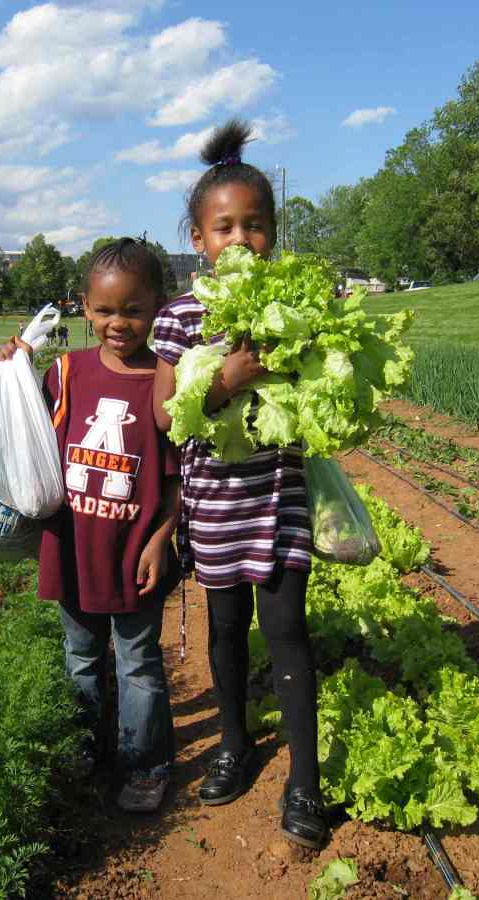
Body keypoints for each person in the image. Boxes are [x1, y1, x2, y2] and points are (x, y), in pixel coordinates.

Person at [151, 119, 328, 849]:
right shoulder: (180, 318)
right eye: (224, 228)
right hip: (215, 508)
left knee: (288, 634)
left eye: (255, 226)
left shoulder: (297, 310)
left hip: (278, 501)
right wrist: (229, 376)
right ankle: (234, 743)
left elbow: (330, 395)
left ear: (274, 234)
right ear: (198, 239)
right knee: (226, 635)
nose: (240, 240)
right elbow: (169, 414)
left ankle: (307, 782)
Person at [0, 238, 180, 813]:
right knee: (80, 659)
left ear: (157, 308)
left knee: (139, 663)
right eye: (104, 311)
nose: (117, 323)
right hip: (73, 548)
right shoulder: (66, 373)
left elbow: (179, 476)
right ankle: (86, 755)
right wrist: (13, 373)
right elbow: (25, 427)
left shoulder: (166, 381)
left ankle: (145, 764)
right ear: (84, 307)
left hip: (135, 554)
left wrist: (161, 537)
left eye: (132, 310)